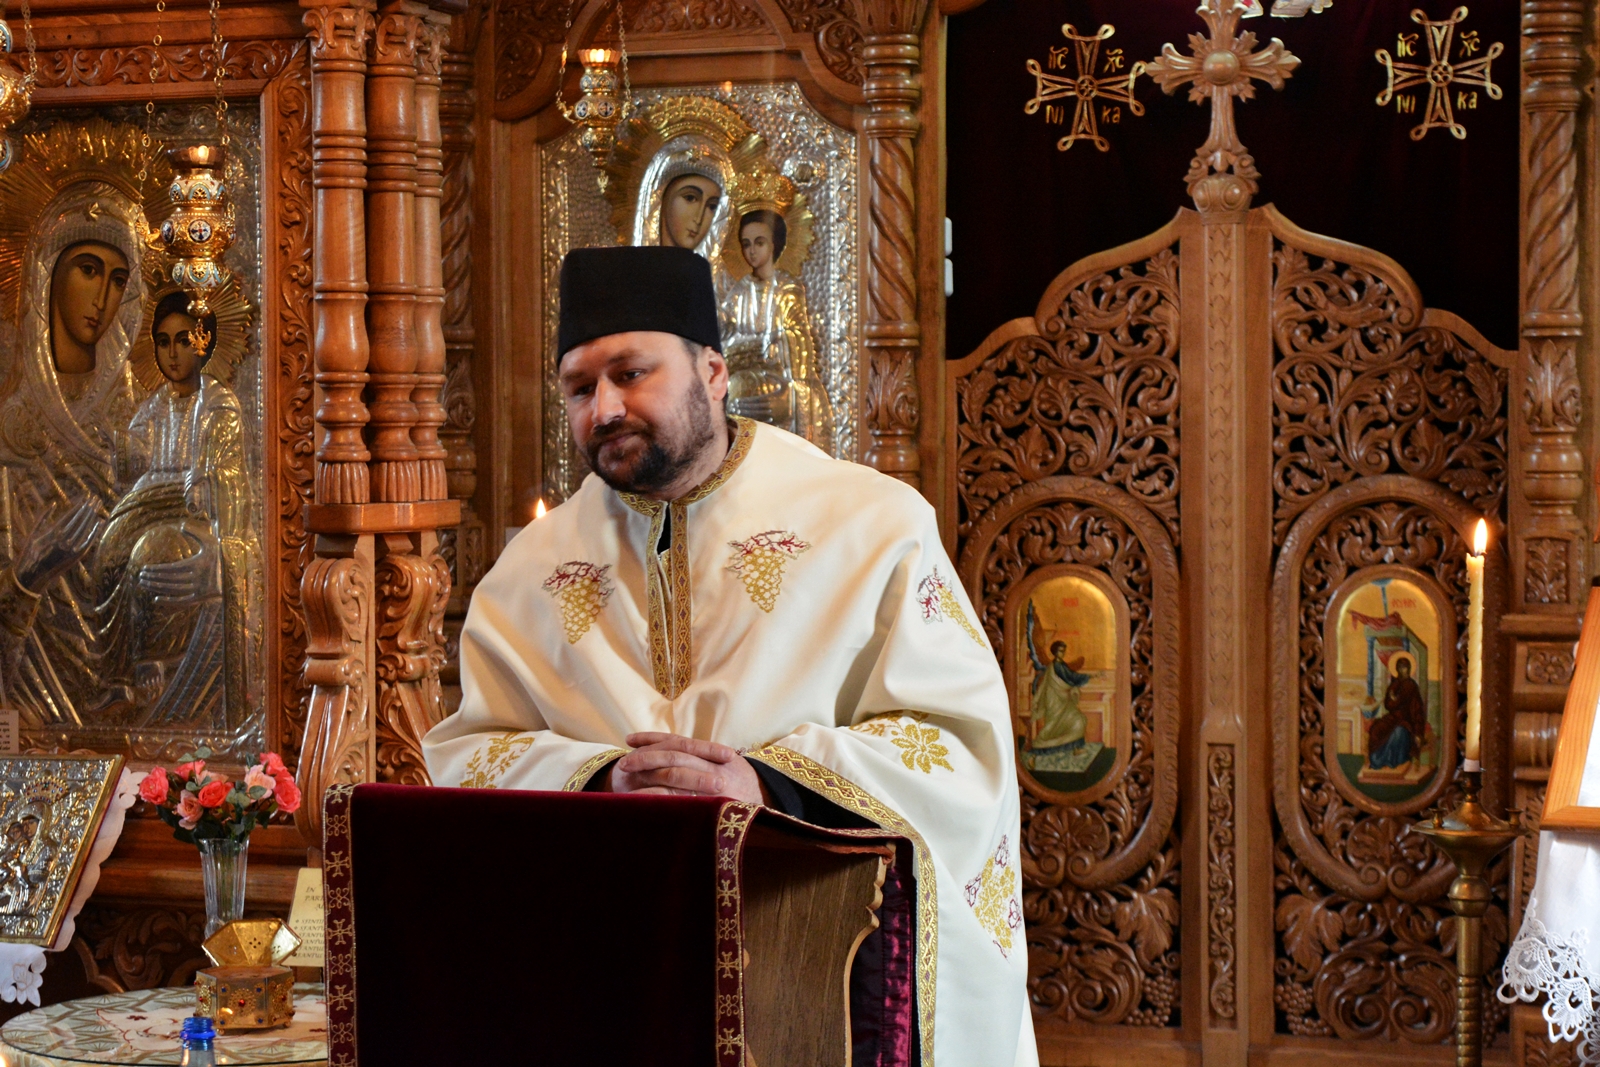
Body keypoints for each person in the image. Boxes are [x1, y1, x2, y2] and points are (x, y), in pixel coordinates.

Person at [424, 245, 1037, 1067]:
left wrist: (768, 782)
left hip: (818, 970)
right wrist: (598, 780)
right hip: (619, 982)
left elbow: (961, 747)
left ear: (713, 371)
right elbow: (467, 754)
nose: (604, 406)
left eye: (631, 372)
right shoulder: (527, 575)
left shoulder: (873, 529)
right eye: (578, 387)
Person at [91, 291, 253, 722]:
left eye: (184, 340)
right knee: (108, 551)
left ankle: (152, 659)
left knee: (151, 553)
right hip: (148, 501)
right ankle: (116, 676)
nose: (173, 352)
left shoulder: (218, 404)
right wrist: (118, 448)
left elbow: (234, 479)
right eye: (163, 341)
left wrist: (208, 482)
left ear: (205, 343)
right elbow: (135, 461)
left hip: (192, 512)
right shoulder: (154, 407)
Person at [720, 208, 835, 452]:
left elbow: (798, 338)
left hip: (778, 382)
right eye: (746, 243)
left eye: (759, 243)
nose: (752, 251)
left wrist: (775, 341)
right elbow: (724, 336)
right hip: (743, 383)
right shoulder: (739, 292)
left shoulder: (787, 289)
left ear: (774, 245)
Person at [1365, 655, 1430, 770]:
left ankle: (1392, 761)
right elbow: (1387, 704)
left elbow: (1418, 710)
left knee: (1398, 733)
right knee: (1376, 728)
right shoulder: (1394, 684)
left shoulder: (1412, 686)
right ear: (1397, 669)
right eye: (1400, 667)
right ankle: (1376, 759)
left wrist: (1418, 732)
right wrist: (1392, 700)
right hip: (1393, 718)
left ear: (1409, 669)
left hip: (1406, 721)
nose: (1403, 670)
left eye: (1405, 667)